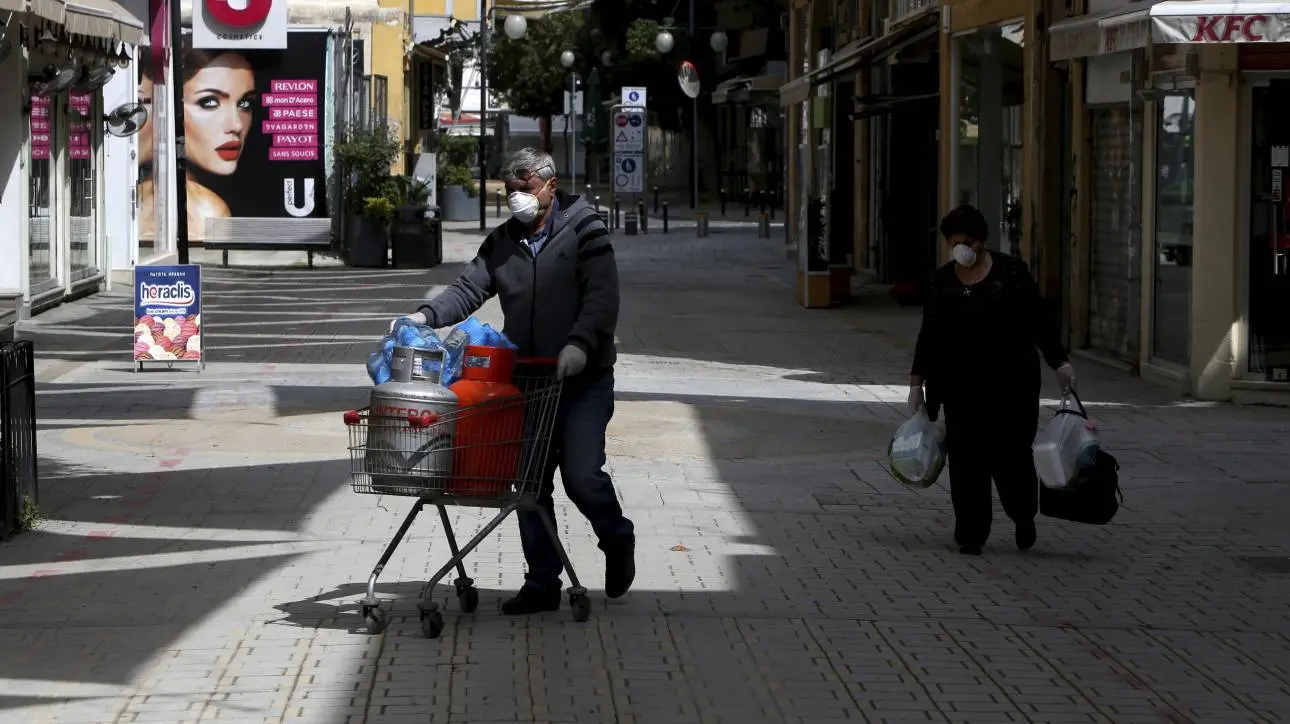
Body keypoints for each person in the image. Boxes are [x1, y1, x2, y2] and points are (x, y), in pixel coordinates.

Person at [392, 148, 636, 614]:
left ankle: (617, 538)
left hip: (581, 377)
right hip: (526, 379)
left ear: (550, 185)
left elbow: (603, 297)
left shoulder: (586, 230)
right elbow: (468, 288)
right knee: (528, 484)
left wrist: (581, 344)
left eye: (525, 189)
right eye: (510, 192)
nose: (517, 199)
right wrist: (424, 316)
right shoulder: (503, 241)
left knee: (583, 477)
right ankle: (543, 582)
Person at [908, 204, 1076, 556]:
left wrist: (1059, 361)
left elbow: (1039, 320)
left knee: (1011, 458)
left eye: (968, 241)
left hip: (1011, 386)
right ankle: (971, 532)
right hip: (959, 388)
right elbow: (929, 334)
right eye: (955, 242)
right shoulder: (941, 282)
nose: (963, 248)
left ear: (982, 241)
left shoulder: (1011, 273)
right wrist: (916, 383)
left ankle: (1022, 515)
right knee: (967, 462)